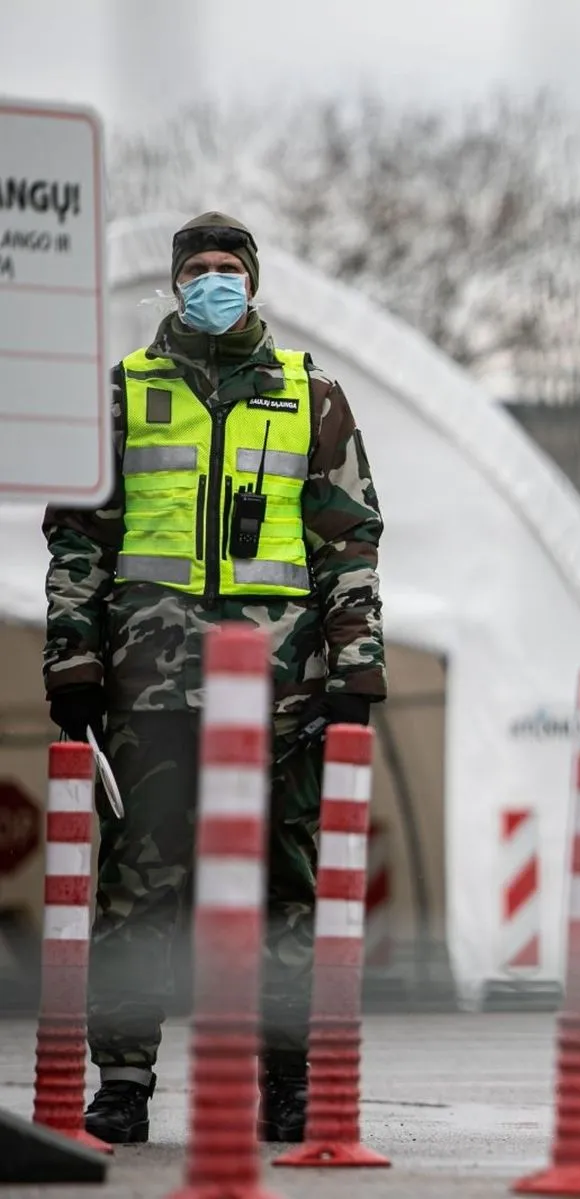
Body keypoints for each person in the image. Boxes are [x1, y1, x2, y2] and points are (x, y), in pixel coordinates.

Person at [41, 211, 386, 1145]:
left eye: (229, 266)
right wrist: (71, 660)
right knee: (138, 886)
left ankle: (287, 1081)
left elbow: (349, 542)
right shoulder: (123, 392)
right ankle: (121, 1081)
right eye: (197, 268)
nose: (213, 280)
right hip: (150, 687)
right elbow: (79, 537)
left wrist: (358, 666)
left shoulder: (311, 395)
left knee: (285, 884)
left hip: (284, 690)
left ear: (254, 280)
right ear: (175, 280)